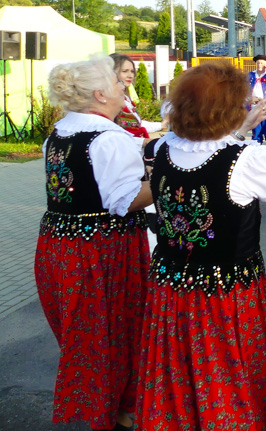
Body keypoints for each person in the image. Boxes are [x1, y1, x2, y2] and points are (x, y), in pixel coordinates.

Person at [137, 61, 266, 430]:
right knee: (231, 374)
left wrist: (241, 129)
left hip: (171, 288)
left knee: (177, 372)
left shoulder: (163, 148)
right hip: (227, 293)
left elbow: (211, 147)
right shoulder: (246, 159)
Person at [36, 57, 153, 431]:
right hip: (102, 251)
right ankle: (117, 412)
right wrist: (169, 178)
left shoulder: (58, 133)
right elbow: (125, 201)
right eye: (117, 83)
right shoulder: (108, 138)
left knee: (84, 337)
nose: (124, 88)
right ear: (100, 93)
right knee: (115, 333)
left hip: (59, 245)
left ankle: (108, 407)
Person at [109, 53, 164, 144]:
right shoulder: (108, 101)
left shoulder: (126, 98)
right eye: (125, 71)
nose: (130, 75)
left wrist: (162, 124)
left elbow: (138, 124)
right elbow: (112, 137)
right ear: (112, 73)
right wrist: (143, 142)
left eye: (132, 71)